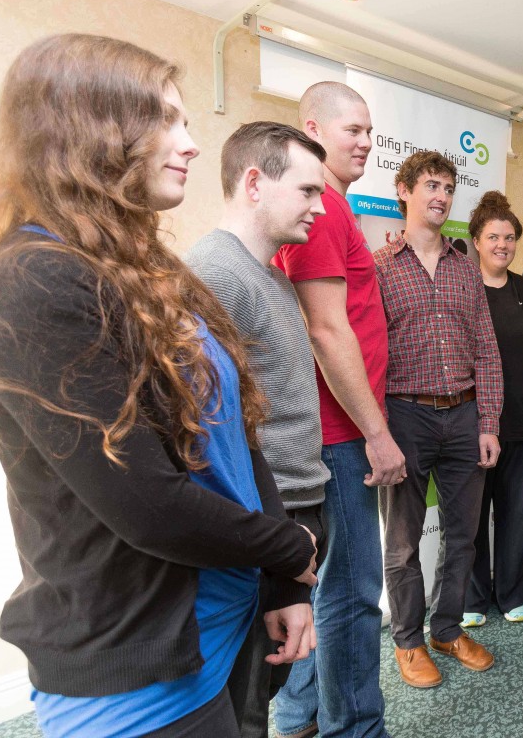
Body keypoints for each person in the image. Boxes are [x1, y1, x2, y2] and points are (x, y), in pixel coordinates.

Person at [0, 34, 317, 738]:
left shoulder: (146, 268)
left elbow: (236, 435)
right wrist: (290, 549)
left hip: (223, 621)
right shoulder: (31, 281)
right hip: (139, 676)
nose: (188, 142)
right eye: (166, 120)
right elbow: (147, 504)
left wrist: (278, 580)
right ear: (90, 129)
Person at [187, 122, 332, 737]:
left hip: (292, 506)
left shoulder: (267, 272)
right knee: (243, 703)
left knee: (264, 688)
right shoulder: (218, 274)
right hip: (265, 516)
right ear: (254, 182)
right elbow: (192, 427)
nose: (319, 207)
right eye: (306, 191)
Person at [272, 82, 404, 738]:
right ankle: (354, 730)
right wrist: (376, 433)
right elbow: (327, 332)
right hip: (339, 434)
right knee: (350, 598)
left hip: (337, 430)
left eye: (371, 132)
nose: (365, 142)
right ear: (313, 126)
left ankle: (300, 718)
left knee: (322, 592)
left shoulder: (334, 211)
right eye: (351, 129)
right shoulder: (319, 207)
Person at [374, 150, 502, 688]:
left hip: (465, 415)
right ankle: (408, 641)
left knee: (463, 534)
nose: (441, 195)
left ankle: (447, 629)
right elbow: (366, 355)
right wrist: (375, 431)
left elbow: (487, 350)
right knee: (402, 542)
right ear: (403, 190)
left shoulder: (464, 268)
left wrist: (489, 421)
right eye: (430, 184)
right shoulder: (378, 267)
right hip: (405, 416)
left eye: (448, 186)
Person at [463, 191, 523, 626]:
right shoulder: (462, 289)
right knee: (470, 516)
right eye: (493, 236)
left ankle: (512, 592)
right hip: (471, 425)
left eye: (509, 237)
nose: (502, 244)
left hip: (521, 424)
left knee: (515, 513)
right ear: (477, 241)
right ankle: (472, 598)